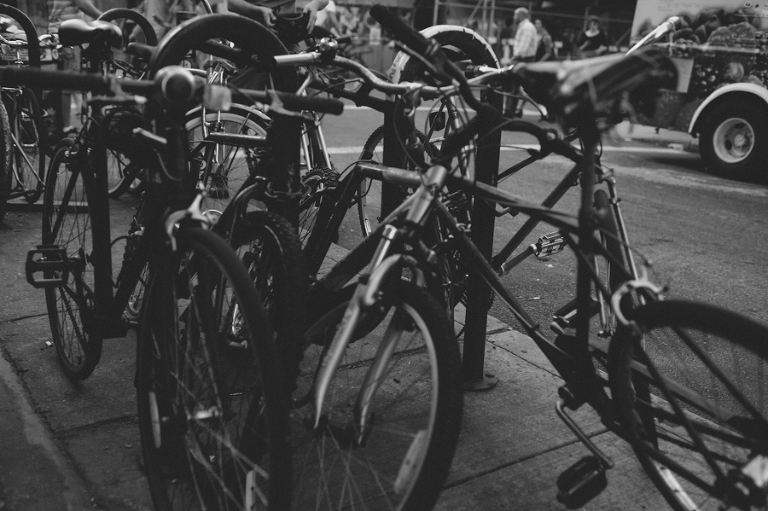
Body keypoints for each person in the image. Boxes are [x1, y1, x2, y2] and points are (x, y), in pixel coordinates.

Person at [47, 0, 103, 132]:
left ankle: (64, 124)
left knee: (63, 82)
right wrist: (107, 18)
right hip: (69, 36)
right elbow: (83, 4)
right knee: (70, 82)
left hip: (56, 35)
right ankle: (68, 126)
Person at [504, 7, 537, 117]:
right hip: (523, 59)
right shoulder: (524, 26)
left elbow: (524, 46)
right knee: (518, 86)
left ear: (520, 15)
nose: (514, 17)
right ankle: (513, 110)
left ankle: (509, 111)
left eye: (515, 15)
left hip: (523, 60)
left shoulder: (527, 27)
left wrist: (514, 57)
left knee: (515, 85)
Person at [228, 0, 329, 32]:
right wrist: (259, 11)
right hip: (251, 35)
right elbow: (231, 3)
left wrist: (315, 4)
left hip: (288, 37)